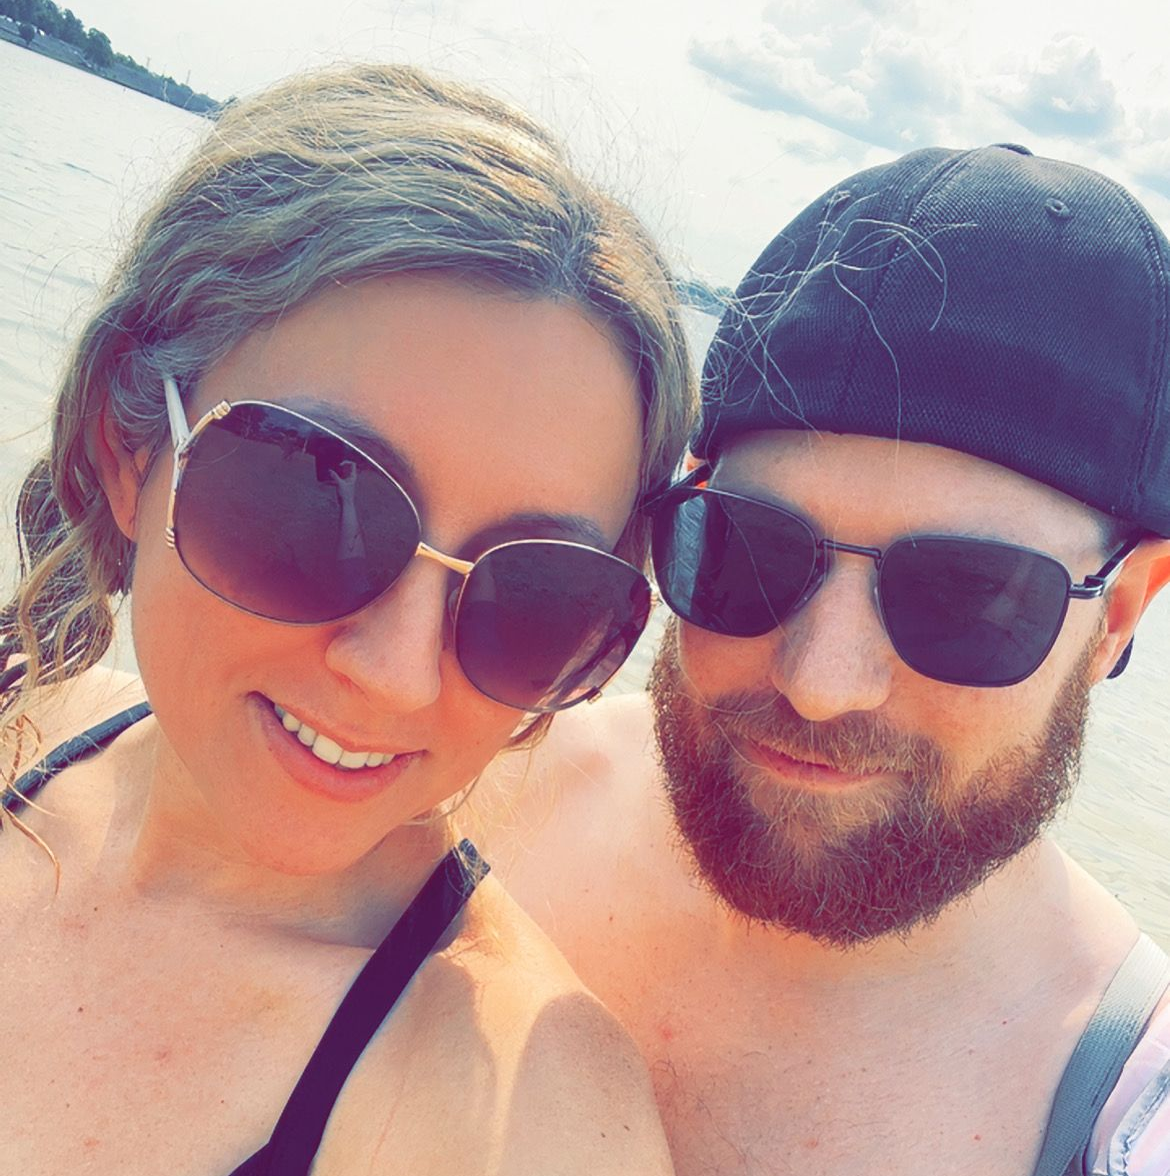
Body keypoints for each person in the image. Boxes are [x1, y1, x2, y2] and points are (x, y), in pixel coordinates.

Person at [0, 63, 696, 1175]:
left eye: (534, 595)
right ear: (126, 452)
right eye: (313, 499)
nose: (398, 674)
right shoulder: (18, 715)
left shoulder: (531, 1129)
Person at [479, 144, 1170, 1175]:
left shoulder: (1122, 1119)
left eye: (963, 596)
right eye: (751, 552)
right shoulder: (468, 796)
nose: (818, 681)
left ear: (1119, 609)